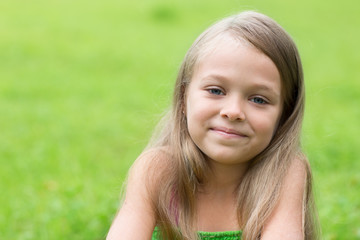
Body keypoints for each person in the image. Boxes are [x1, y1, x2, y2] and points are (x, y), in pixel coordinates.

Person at [107, 11, 319, 240]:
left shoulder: (284, 173)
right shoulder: (158, 170)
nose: (233, 111)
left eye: (258, 99)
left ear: (284, 114)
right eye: (216, 91)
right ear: (183, 99)